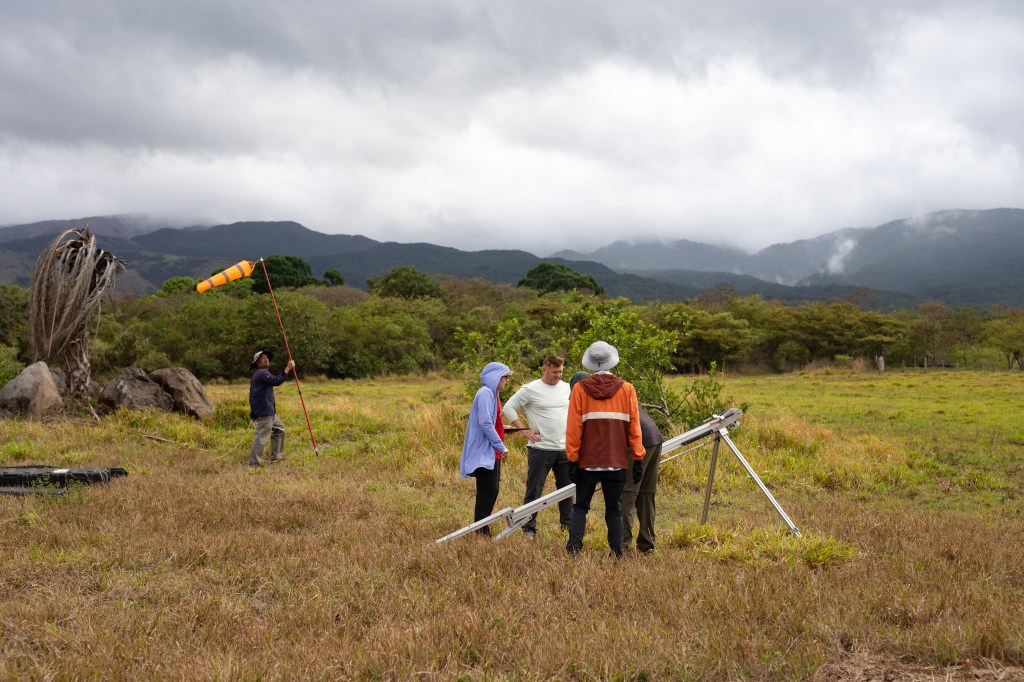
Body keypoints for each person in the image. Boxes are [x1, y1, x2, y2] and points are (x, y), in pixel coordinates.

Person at [565, 341, 644, 557]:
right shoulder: (627, 389)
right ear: (611, 362)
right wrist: (638, 457)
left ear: (590, 364)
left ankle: (574, 549)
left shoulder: (580, 388)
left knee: (580, 506)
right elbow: (634, 426)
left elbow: (573, 427)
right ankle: (617, 553)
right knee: (614, 508)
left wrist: (572, 458)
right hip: (616, 460)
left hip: (586, 461)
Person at [503, 355, 573, 537]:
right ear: (545, 370)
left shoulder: (567, 388)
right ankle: (529, 528)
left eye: (560, 372)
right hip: (540, 449)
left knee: (566, 490)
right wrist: (523, 429)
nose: (558, 375)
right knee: (534, 490)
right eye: (554, 372)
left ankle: (567, 527)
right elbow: (509, 407)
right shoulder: (531, 389)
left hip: (564, 448)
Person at [459, 362, 512, 535]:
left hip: (491, 450)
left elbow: (492, 422)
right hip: (485, 450)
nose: (507, 380)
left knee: (491, 489)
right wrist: (501, 446)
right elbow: (484, 422)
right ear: (495, 377)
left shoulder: (493, 394)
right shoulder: (485, 393)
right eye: (505, 377)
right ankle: (481, 530)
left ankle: (481, 527)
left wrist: (504, 428)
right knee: (488, 489)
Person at [621, 407, 664, 554]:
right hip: (654, 437)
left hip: (637, 439)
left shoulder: (591, 393)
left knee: (626, 494)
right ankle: (647, 544)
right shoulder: (620, 387)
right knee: (646, 493)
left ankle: (622, 546)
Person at [248, 349, 295, 468]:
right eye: (263, 358)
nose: (266, 359)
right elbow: (277, 381)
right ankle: (254, 465)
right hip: (265, 412)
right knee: (261, 437)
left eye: (267, 357)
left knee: (279, 429)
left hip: (269, 411)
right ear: (257, 362)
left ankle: (276, 458)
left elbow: (253, 395)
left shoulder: (262, 373)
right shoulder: (261, 373)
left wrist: (254, 413)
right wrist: (288, 368)